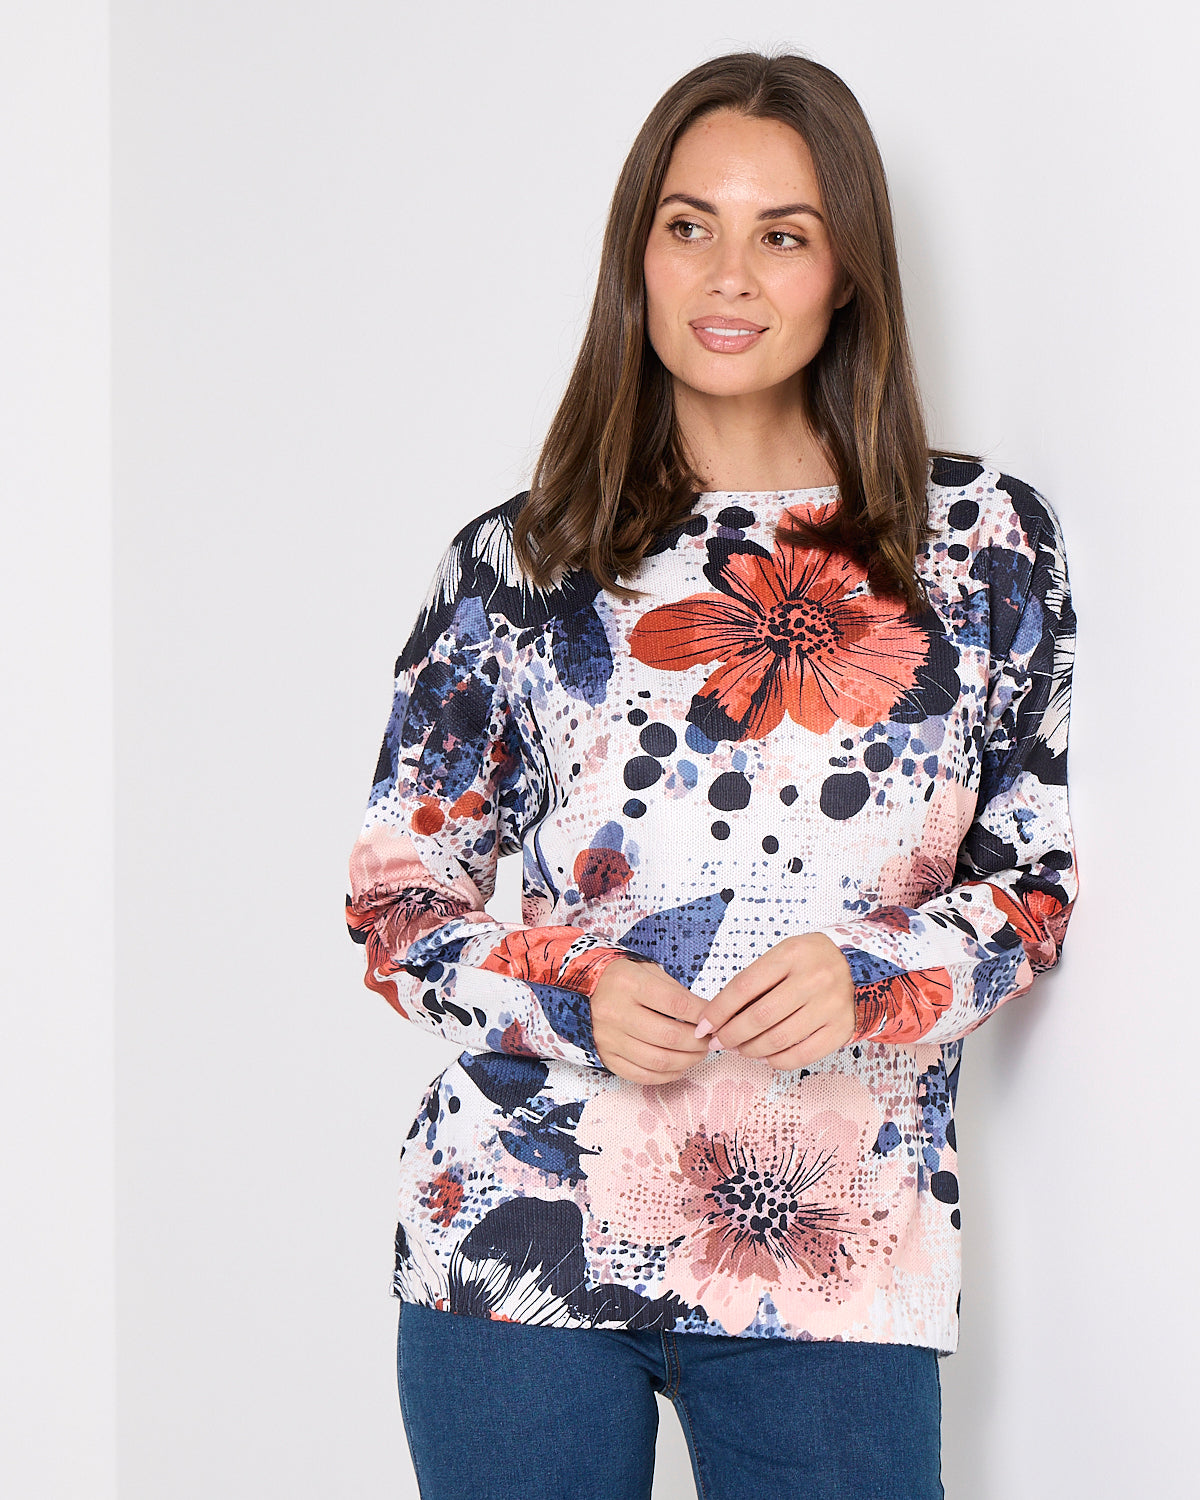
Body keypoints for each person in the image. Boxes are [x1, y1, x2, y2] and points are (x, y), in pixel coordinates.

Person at [345, 49, 1076, 1500]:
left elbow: (1038, 885)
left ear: (848, 272)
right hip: (518, 1234)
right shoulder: (518, 564)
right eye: (690, 225)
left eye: (782, 233)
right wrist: (571, 990)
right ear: (641, 253)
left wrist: (879, 975)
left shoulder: (983, 542)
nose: (728, 275)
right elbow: (396, 899)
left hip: (838, 1254)